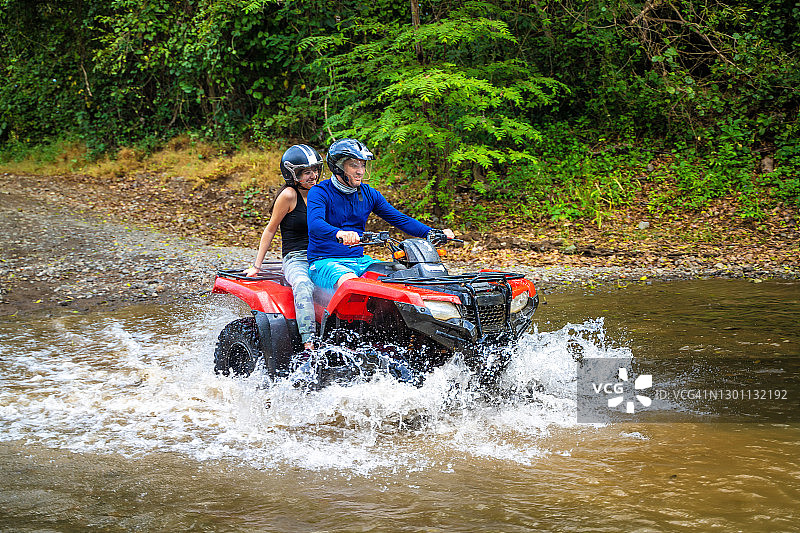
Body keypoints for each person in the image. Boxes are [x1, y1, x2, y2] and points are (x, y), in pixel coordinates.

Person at [306, 138, 454, 290]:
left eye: (363, 165)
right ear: (337, 166)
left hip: (361, 261)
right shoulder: (319, 192)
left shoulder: (369, 194)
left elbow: (399, 219)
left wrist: (431, 232)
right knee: (353, 285)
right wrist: (340, 233)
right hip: (325, 261)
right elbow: (315, 224)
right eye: (354, 165)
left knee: (404, 277)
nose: (360, 171)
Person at [244, 144, 322, 351]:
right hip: (296, 257)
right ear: (292, 175)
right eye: (306, 172)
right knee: (303, 285)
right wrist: (257, 266)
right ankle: (309, 344)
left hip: (322, 256)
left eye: (315, 170)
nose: (313, 175)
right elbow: (270, 230)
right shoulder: (289, 195)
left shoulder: (321, 194)